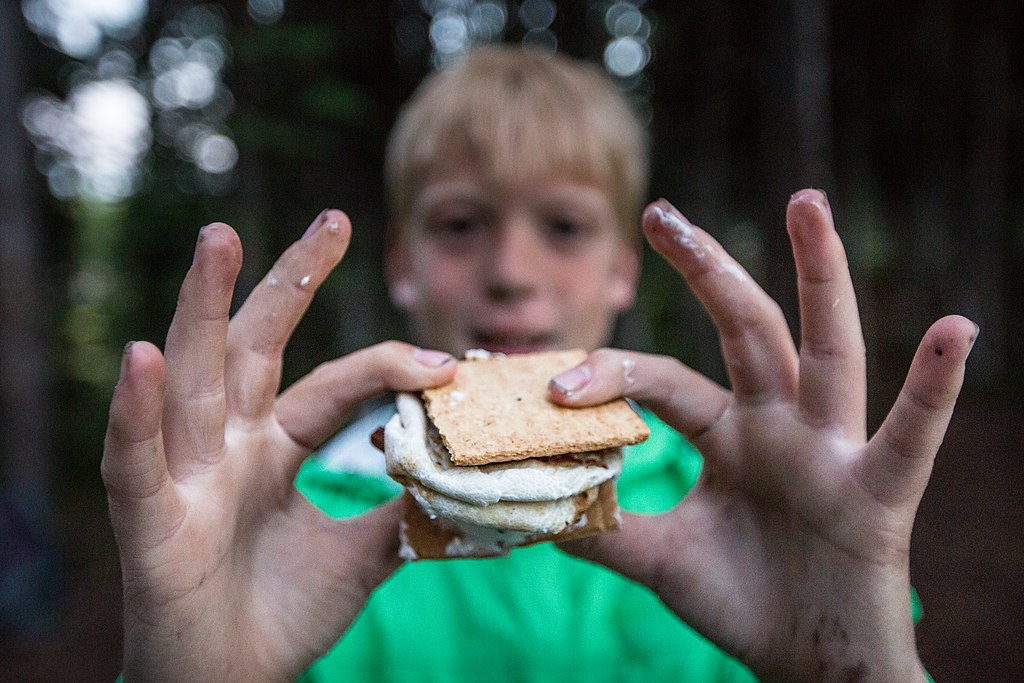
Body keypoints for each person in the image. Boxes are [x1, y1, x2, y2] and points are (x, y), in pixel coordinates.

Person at [101, 46, 976, 681]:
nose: (513, 273)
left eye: (562, 226)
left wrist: (858, 671)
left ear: (624, 267)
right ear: (400, 262)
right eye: (459, 224)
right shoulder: (288, 527)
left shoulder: (748, 510)